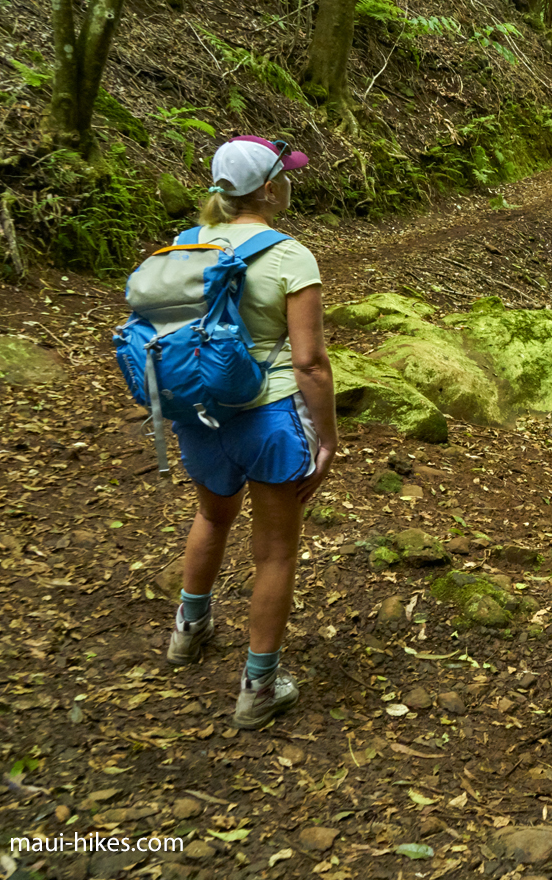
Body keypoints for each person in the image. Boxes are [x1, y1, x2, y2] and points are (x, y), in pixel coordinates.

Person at [164, 136, 337, 731]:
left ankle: (188, 632)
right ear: (268, 188)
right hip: (267, 416)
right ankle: (259, 688)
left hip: (200, 414)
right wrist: (329, 438)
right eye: (284, 175)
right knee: (275, 551)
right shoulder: (291, 256)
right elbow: (311, 362)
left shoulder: (188, 245)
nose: (291, 182)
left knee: (212, 516)